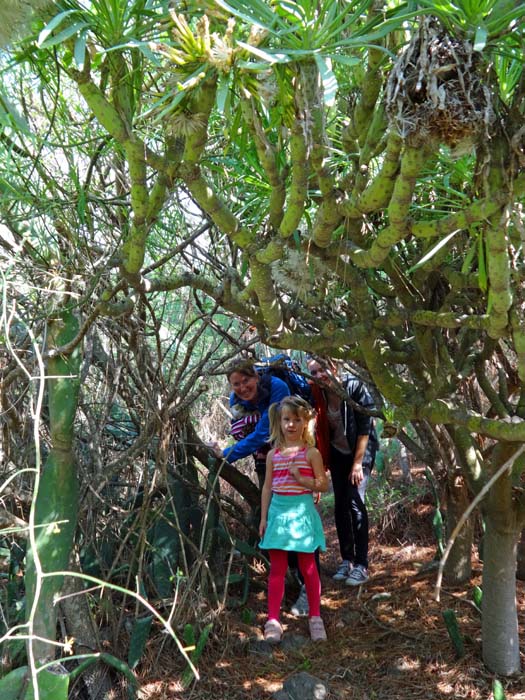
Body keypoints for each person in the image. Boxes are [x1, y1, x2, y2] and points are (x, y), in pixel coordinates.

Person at [259, 396, 329, 643]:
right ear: (279, 422)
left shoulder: (311, 453)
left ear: (305, 422)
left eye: (296, 419)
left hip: (302, 512)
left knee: (308, 567)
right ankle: (273, 619)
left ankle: (315, 616)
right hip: (278, 513)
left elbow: (323, 484)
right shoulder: (273, 455)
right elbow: (267, 487)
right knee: (277, 569)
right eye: (286, 419)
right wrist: (263, 517)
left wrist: (303, 480)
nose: (291, 425)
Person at [307, 357, 378, 587]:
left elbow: (365, 428)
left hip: (361, 452)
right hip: (338, 453)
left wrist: (358, 464)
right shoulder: (317, 394)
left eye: (322, 370)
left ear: (334, 366)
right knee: (341, 504)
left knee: (356, 502)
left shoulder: (353, 387)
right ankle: (347, 560)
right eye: (314, 372)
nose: (319, 376)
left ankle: (361, 564)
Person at [208, 359, 290, 486]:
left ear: (256, 377)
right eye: (236, 384)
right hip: (262, 453)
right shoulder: (235, 400)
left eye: (246, 380)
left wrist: (226, 453)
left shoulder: (277, 387)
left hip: (289, 447)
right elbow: (241, 431)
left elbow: (265, 431)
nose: (243, 388)